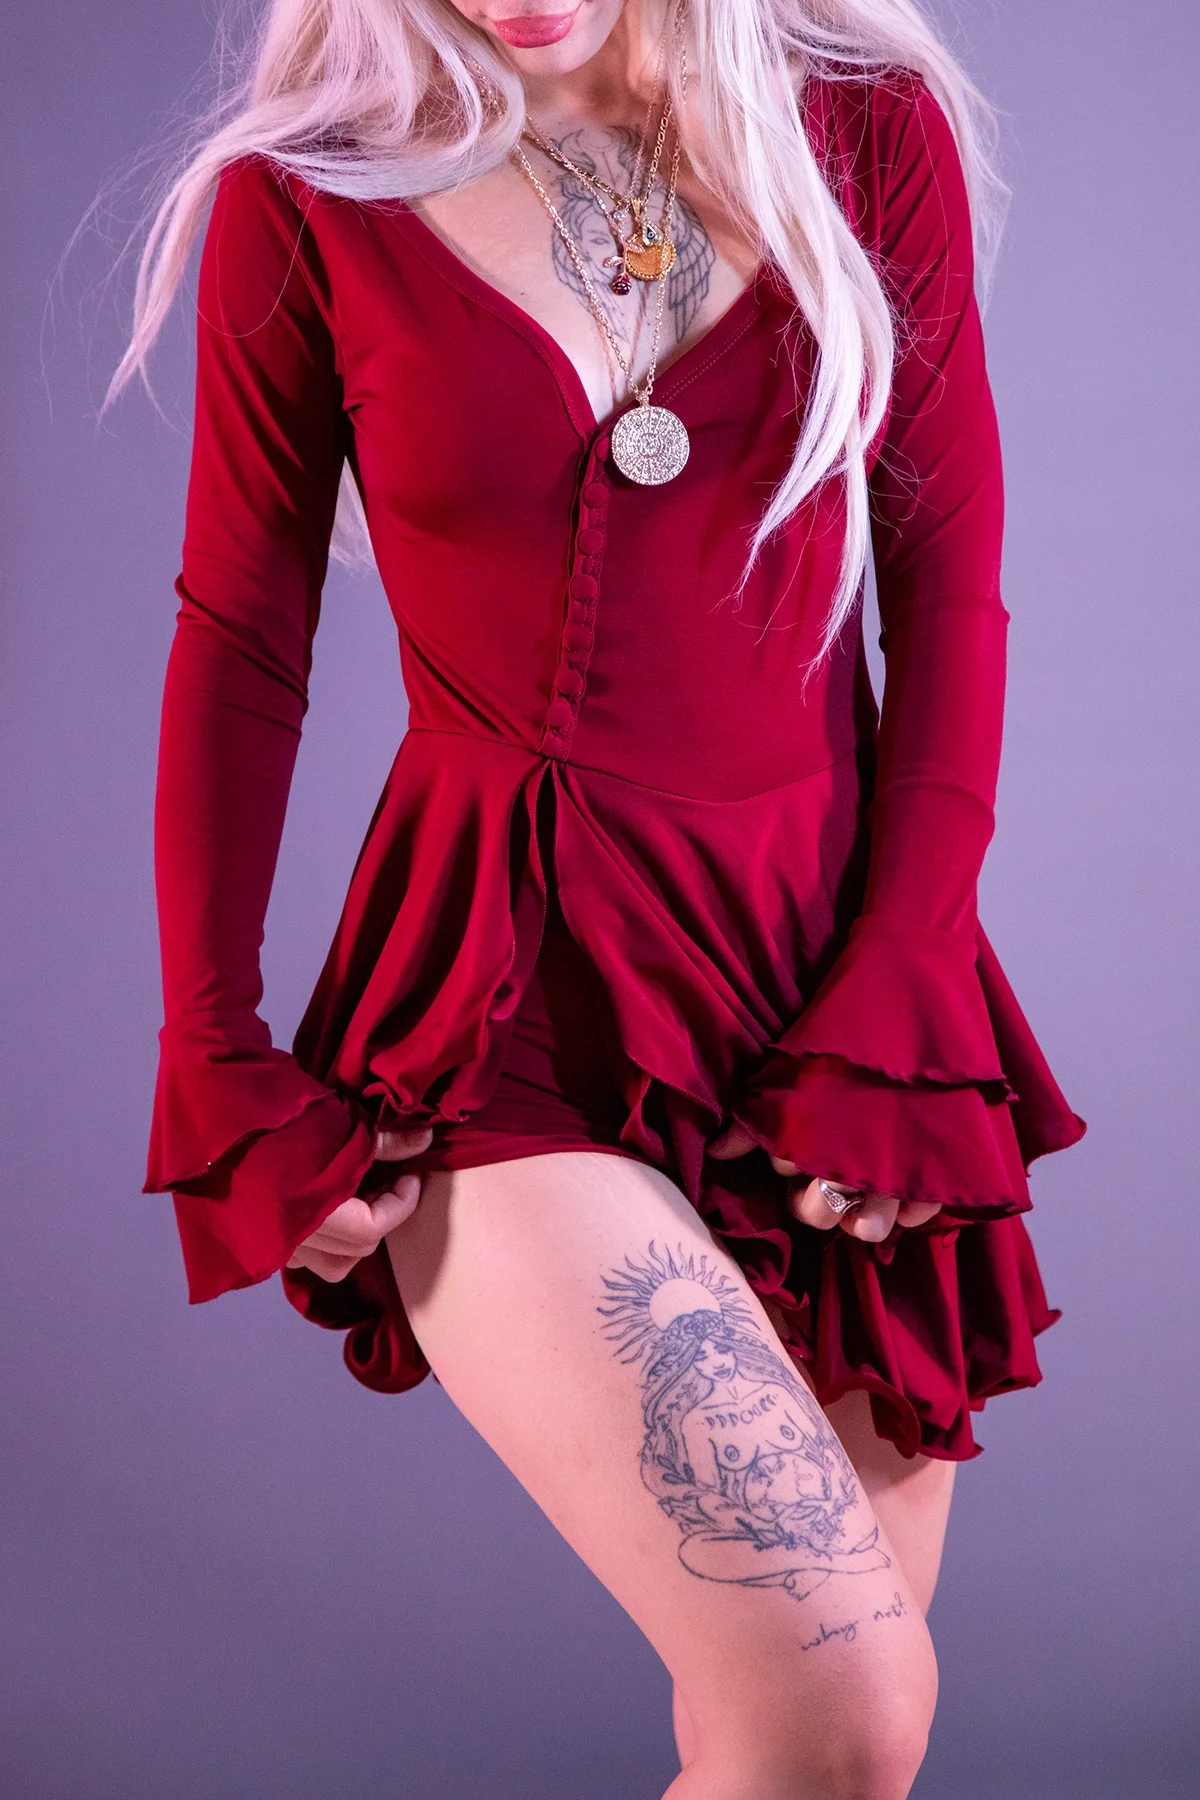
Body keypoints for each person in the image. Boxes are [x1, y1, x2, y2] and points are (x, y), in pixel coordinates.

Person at [112, 0, 1085, 1793]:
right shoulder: (308, 195)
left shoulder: (865, 133)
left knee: (797, 1753)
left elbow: (948, 583)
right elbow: (242, 633)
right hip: (502, 996)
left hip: (830, 989)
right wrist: (210, 1044)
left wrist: (909, 968)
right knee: (839, 1708)